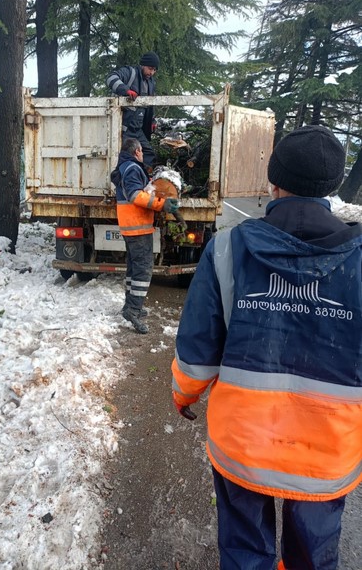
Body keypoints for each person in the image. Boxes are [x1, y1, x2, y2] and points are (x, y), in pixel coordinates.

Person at [171, 125, 362, 569]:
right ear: (332, 185)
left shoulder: (227, 249)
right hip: (328, 450)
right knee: (312, 556)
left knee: (244, 550)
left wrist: (184, 395)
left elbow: (198, 351)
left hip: (243, 443)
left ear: (273, 182)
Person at [112, 137, 178, 334]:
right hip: (138, 227)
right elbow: (135, 195)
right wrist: (161, 204)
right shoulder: (132, 168)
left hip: (131, 226)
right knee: (143, 270)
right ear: (137, 152)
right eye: (141, 151)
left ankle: (130, 305)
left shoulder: (125, 167)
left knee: (134, 269)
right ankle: (133, 310)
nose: (142, 155)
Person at [106, 52, 160, 169]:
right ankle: (126, 176)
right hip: (124, 128)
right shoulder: (130, 73)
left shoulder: (151, 83)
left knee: (148, 154)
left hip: (138, 129)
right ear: (143, 65)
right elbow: (111, 78)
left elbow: (149, 106)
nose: (152, 72)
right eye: (150, 68)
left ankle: (144, 176)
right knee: (125, 156)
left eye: (154, 70)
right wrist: (125, 90)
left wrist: (152, 121)